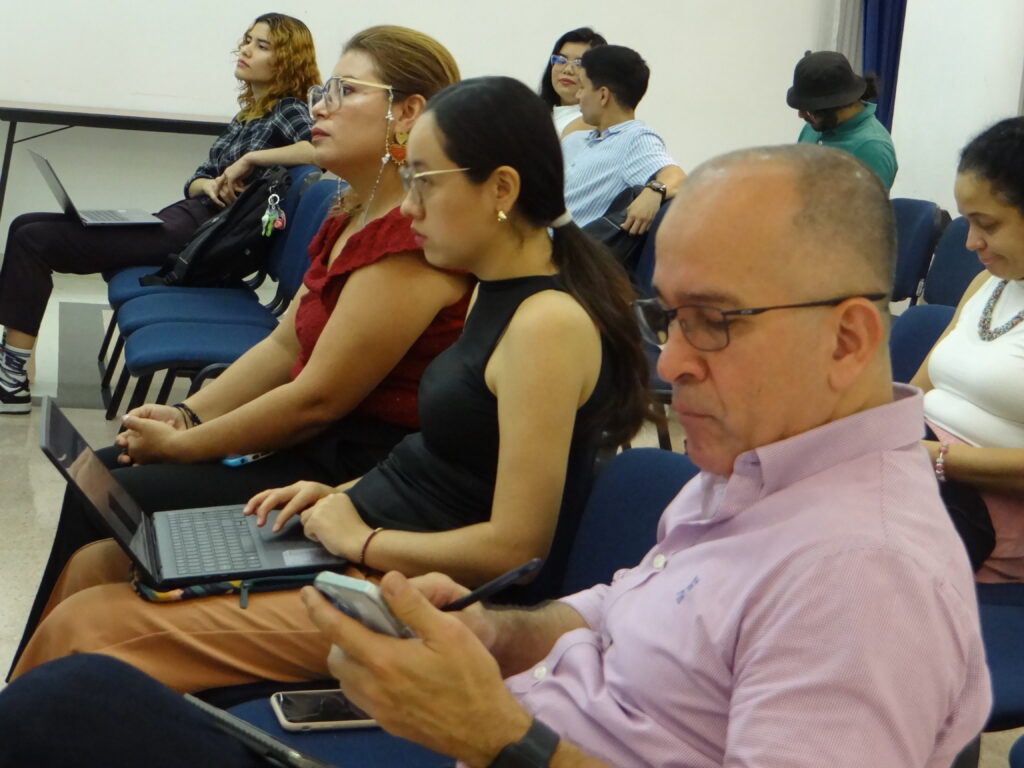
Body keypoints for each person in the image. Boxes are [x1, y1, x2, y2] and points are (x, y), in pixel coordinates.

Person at [0, 143, 990, 768]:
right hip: (487, 720)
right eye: (666, 317)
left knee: (70, 703)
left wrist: (499, 735)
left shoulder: (865, 572)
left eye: (714, 323)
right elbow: (621, 608)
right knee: (77, 685)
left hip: (498, 744)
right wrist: (501, 635)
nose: (671, 361)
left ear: (852, 339)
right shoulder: (759, 475)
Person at [9, 75, 652, 694]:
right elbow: (447, 459)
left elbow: (518, 547)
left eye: (426, 181)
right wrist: (339, 494)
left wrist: (361, 536)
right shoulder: (493, 287)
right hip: (361, 525)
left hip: (420, 587)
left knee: (86, 624)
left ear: (501, 188)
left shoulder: (548, 323)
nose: (411, 205)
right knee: (96, 565)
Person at [6, 23, 469, 677]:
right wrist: (190, 416)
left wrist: (191, 442)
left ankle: (40, 690)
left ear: (408, 112)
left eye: (345, 90)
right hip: (303, 421)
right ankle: (42, 684)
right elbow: (286, 341)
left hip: (348, 465)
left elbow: (318, 399)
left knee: (111, 482)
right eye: (322, 88)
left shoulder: (408, 238)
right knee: (102, 480)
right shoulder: (348, 208)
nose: (322, 105)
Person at [0, 13, 321, 414]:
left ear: (288, 60)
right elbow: (198, 178)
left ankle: (10, 379)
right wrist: (209, 183)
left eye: (261, 45)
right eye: (246, 40)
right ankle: (11, 363)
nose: (245, 49)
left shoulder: (288, 109)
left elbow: (320, 150)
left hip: (201, 238)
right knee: (24, 224)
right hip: (185, 217)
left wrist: (252, 158)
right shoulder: (248, 115)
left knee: (35, 239)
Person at [911, 116, 1024, 582]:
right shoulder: (988, 283)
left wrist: (930, 458)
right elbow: (915, 391)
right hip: (925, 463)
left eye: (987, 224)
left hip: (984, 506)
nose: (971, 242)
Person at [562, 44, 684, 235]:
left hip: (561, 257)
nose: (578, 96)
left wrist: (655, 190)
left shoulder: (634, 139)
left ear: (603, 95)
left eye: (582, 87)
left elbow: (677, 177)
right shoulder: (573, 141)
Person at [787, 50, 898, 190]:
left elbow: (866, 210)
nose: (801, 115)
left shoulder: (872, 148)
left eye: (809, 109)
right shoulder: (814, 126)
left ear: (836, 105)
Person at [537, 27, 607, 138]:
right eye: (561, 60)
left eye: (579, 63)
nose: (568, 70)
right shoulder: (536, 112)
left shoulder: (588, 125)